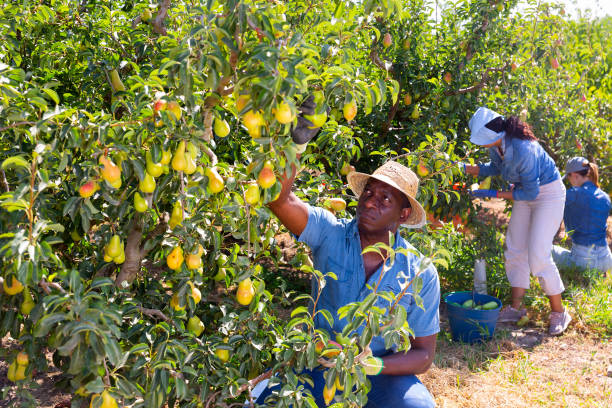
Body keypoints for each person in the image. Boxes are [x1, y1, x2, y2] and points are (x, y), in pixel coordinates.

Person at [255, 160, 440, 408]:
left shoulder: (419, 272)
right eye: (369, 192)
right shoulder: (329, 232)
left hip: (376, 376)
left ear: (403, 214)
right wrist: (293, 147)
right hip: (315, 364)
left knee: (417, 406)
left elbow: (424, 355)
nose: (370, 201)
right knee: (269, 403)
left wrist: (373, 364)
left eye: (385, 199)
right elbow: (279, 200)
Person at [463, 106, 571, 336]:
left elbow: (531, 194)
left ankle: (559, 312)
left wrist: (494, 195)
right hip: (525, 191)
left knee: (539, 255)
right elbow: (494, 168)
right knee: (515, 248)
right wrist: (464, 169)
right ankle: (516, 308)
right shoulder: (498, 145)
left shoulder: (524, 149)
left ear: (489, 137)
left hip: (548, 194)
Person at [552, 157, 612, 274]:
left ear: (574, 175)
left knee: (546, 250)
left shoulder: (573, 194)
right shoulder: (605, 197)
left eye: (568, 177)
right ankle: (600, 272)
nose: (569, 181)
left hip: (583, 262)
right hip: (606, 260)